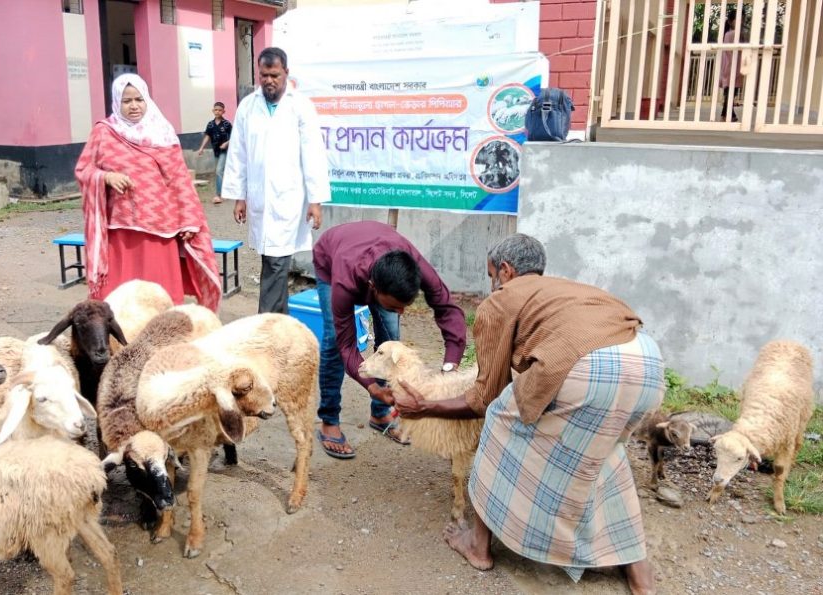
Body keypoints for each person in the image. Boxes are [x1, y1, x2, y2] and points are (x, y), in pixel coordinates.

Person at [395, 234, 663, 595]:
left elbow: (484, 398)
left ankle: (478, 546)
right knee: (604, 455)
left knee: (498, 426)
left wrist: (425, 407)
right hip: (647, 362)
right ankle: (638, 572)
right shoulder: (564, 288)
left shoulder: (501, 301)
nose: (493, 284)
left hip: (586, 367)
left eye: (492, 275)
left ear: (505, 270)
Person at [312, 221, 467, 458]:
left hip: (374, 254)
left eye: (406, 306)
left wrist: (450, 367)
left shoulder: (414, 266)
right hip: (330, 259)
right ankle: (329, 420)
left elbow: (448, 309)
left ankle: (381, 412)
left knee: (392, 339)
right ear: (373, 288)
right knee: (334, 340)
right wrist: (372, 387)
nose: (402, 312)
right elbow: (347, 345)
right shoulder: (345, 281)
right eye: (396, 306)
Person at [75, 73, 221, 309]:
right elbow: (84, 169)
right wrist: (106, 177)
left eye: (139, 99)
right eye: (127, 101)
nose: (134, 106)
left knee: (159, 301)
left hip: (160, 231)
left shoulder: (163, 133)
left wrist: (189, 219)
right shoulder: (104, 132)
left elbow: (179, 180)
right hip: (120, 231)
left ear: (147, 100)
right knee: (119, 302)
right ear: (116, 102)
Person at [222, 47, 330, 314]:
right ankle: (280, 322)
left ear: (286, 73)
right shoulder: (248, 106)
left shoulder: (300, 106)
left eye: (274, 75)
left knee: (276, 261)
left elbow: (313, 153)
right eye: (263, 75)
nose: (269, 80)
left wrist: (315, 200)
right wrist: (239, 196)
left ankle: (266, 322)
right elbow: (238, 153)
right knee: (271, 259)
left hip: (289, 197)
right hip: (260, 196)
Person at [196, 101, 231, 205]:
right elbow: (207, 136)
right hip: (216, 151)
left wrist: (226, 143)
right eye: (216, 110)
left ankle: (218, 195)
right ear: (213, 111)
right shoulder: (210, 124)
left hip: (225, 151)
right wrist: (201, 148)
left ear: (223, 111)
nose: (217, 112)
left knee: (219, 171)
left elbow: (234, 136)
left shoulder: (227, 124)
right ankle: (226, 191)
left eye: (220, 110)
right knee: (219, 172)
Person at [719, 12, 742, 122]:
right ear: (730, 22)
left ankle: (726, 114)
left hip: (732, 65)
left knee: (730, 92)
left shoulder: (732, 33)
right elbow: (729, 51)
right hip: (732, 66)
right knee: (730, 92)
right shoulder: (731, 34)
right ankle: (729, 114)